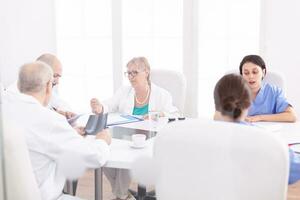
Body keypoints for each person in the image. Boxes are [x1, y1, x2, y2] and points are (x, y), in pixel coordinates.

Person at [3, 61, 111, 200]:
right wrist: (102, 140)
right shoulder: (49, 120)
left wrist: (68, 133)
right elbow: (95, 157)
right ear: (49, 86)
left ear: (19, 85)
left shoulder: (5, 110)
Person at [91, 57, 179, 200]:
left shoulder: (161, 94)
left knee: (127, 152)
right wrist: (100, 107)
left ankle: (122, 195)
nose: (131, 77)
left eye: (134, 73)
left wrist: (158, 113)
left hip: (149, 140)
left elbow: (175, 114)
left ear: (146, 72)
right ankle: (123, 194)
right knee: (105, 151)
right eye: (128, 73)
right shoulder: (125, 91)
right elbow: (110, 104)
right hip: (125, 136)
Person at [214, 73, 300, 185]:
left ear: (216, 104)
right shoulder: (266, 140)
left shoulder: (206, 137)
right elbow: (295, 169)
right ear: (249, 103)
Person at [239, 55, 297, 122]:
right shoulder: (235, 93)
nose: (251, 76)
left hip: (269, 131)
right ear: (242, 75)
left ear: (263, 73)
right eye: (246, 73)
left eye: (255, 72)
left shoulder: (274, 92)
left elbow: (292, 116)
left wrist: (259, 117)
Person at [36, 53, 75, 119]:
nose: (57, 82)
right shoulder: (20, 95)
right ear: (41, 72)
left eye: (58, 77)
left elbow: (61, 105)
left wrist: (60, 113)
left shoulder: (48, 92)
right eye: (55, 76)